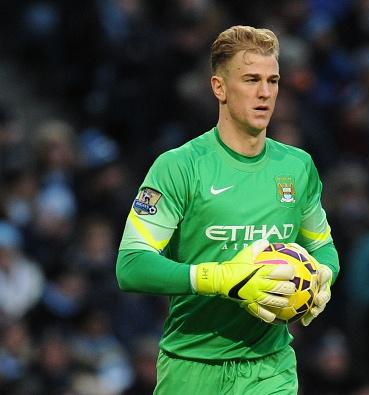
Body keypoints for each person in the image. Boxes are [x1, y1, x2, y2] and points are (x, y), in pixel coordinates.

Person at [115, 25, 339, 395]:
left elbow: (323, 246)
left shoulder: (297, 167)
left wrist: (323, 277)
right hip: (191, 365)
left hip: (270, 366)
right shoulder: (179, 167)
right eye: (251, 79)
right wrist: (221, 280)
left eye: (273, 80)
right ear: (219, 87)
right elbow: (131, 265)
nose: (265, 93)